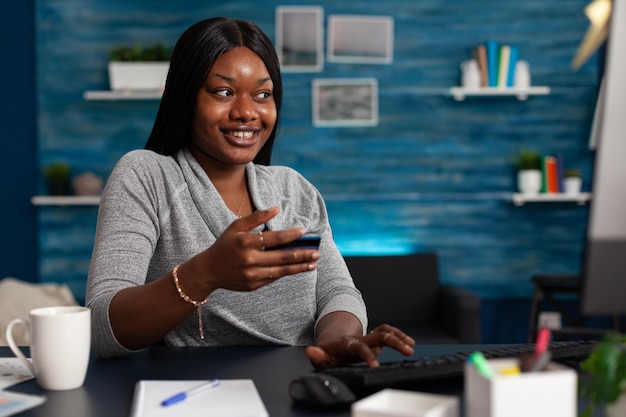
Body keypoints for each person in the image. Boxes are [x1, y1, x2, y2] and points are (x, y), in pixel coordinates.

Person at [86, 17, 415, 368]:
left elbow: (337, 293)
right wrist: (205, 274)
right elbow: (101, 329)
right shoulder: (147, 176)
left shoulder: (294, 190)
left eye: (262, 95)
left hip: (301, 384)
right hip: (199, 392)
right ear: (186, 97)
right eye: (224, 92)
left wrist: (336, 341)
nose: (246, 112)